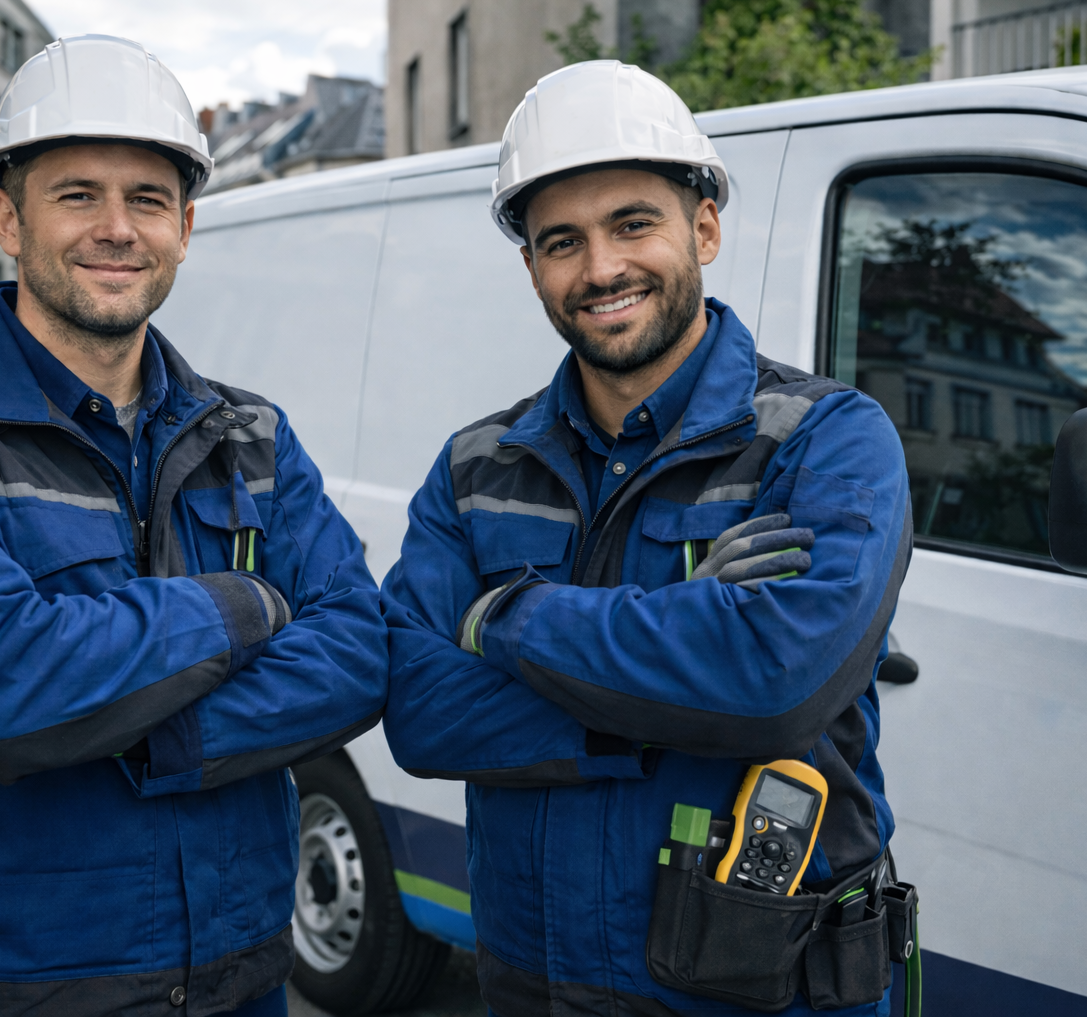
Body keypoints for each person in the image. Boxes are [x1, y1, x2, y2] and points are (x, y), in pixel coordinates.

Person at [0, 35, 387, 1017]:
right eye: (78, 194)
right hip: (15, 981)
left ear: (185, 226)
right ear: (8, 216)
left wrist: (145, 735)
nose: (116, 228)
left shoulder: (249, 435)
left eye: (148, 199)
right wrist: (242, 604)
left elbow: (365, 649)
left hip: (247, 966)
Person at [382, 61, 913, 1016]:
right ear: (533, 265)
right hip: (534, 978)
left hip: (759, 987)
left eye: (634, 224)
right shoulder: (476, 468)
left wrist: (507, 620)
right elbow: (421, 716)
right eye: (562, 242)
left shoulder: (825, 440)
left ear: (703, 226)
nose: (600, 269)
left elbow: (772, 685)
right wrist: (675, 641)